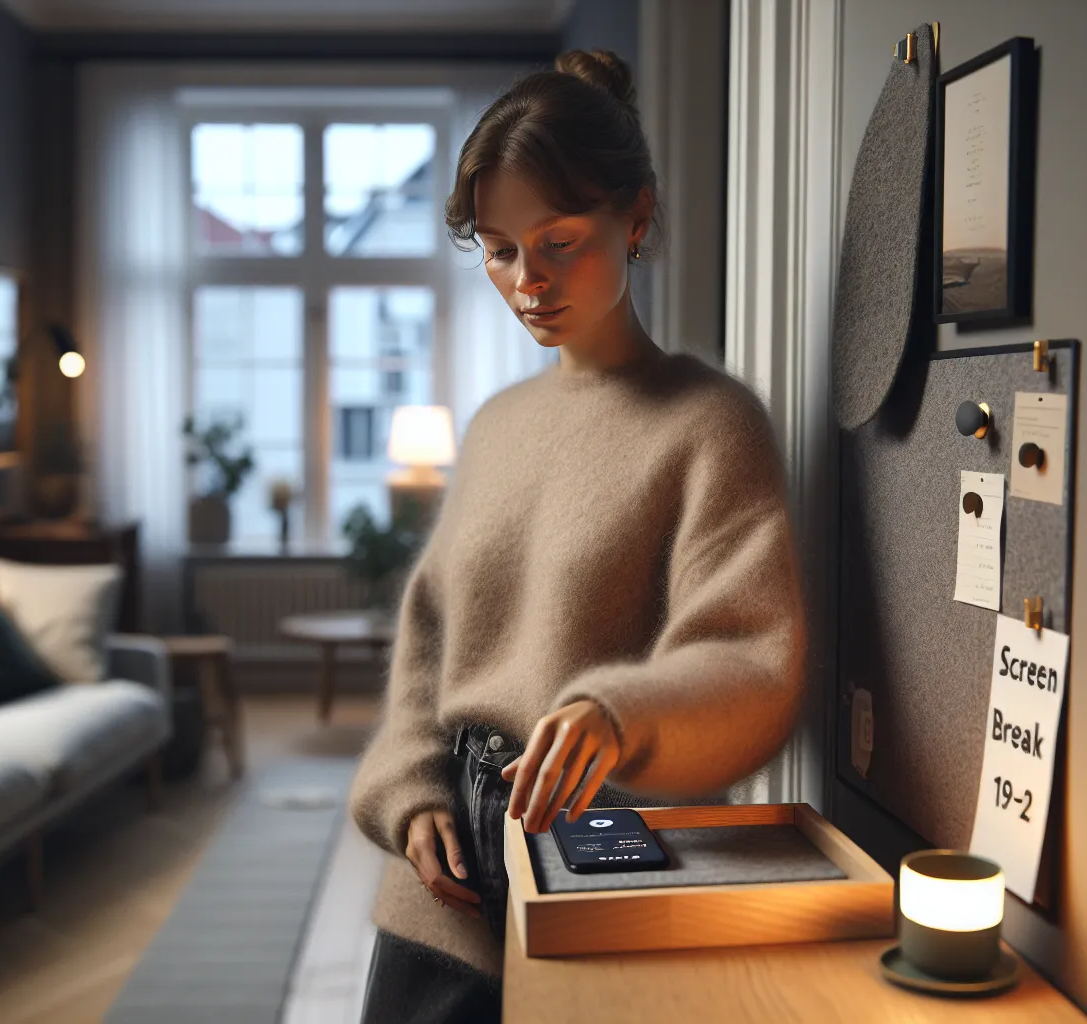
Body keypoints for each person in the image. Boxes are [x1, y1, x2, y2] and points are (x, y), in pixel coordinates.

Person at [346, 48, 807, 1024]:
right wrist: (411, 790)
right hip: (442, 886)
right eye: (500, 249)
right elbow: (430, 636)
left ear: (635, 218)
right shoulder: (498, 424)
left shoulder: (707, 422)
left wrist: (614, 711)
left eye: (559, 240)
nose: (527, 280)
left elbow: (754, 659)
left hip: (604, 863)